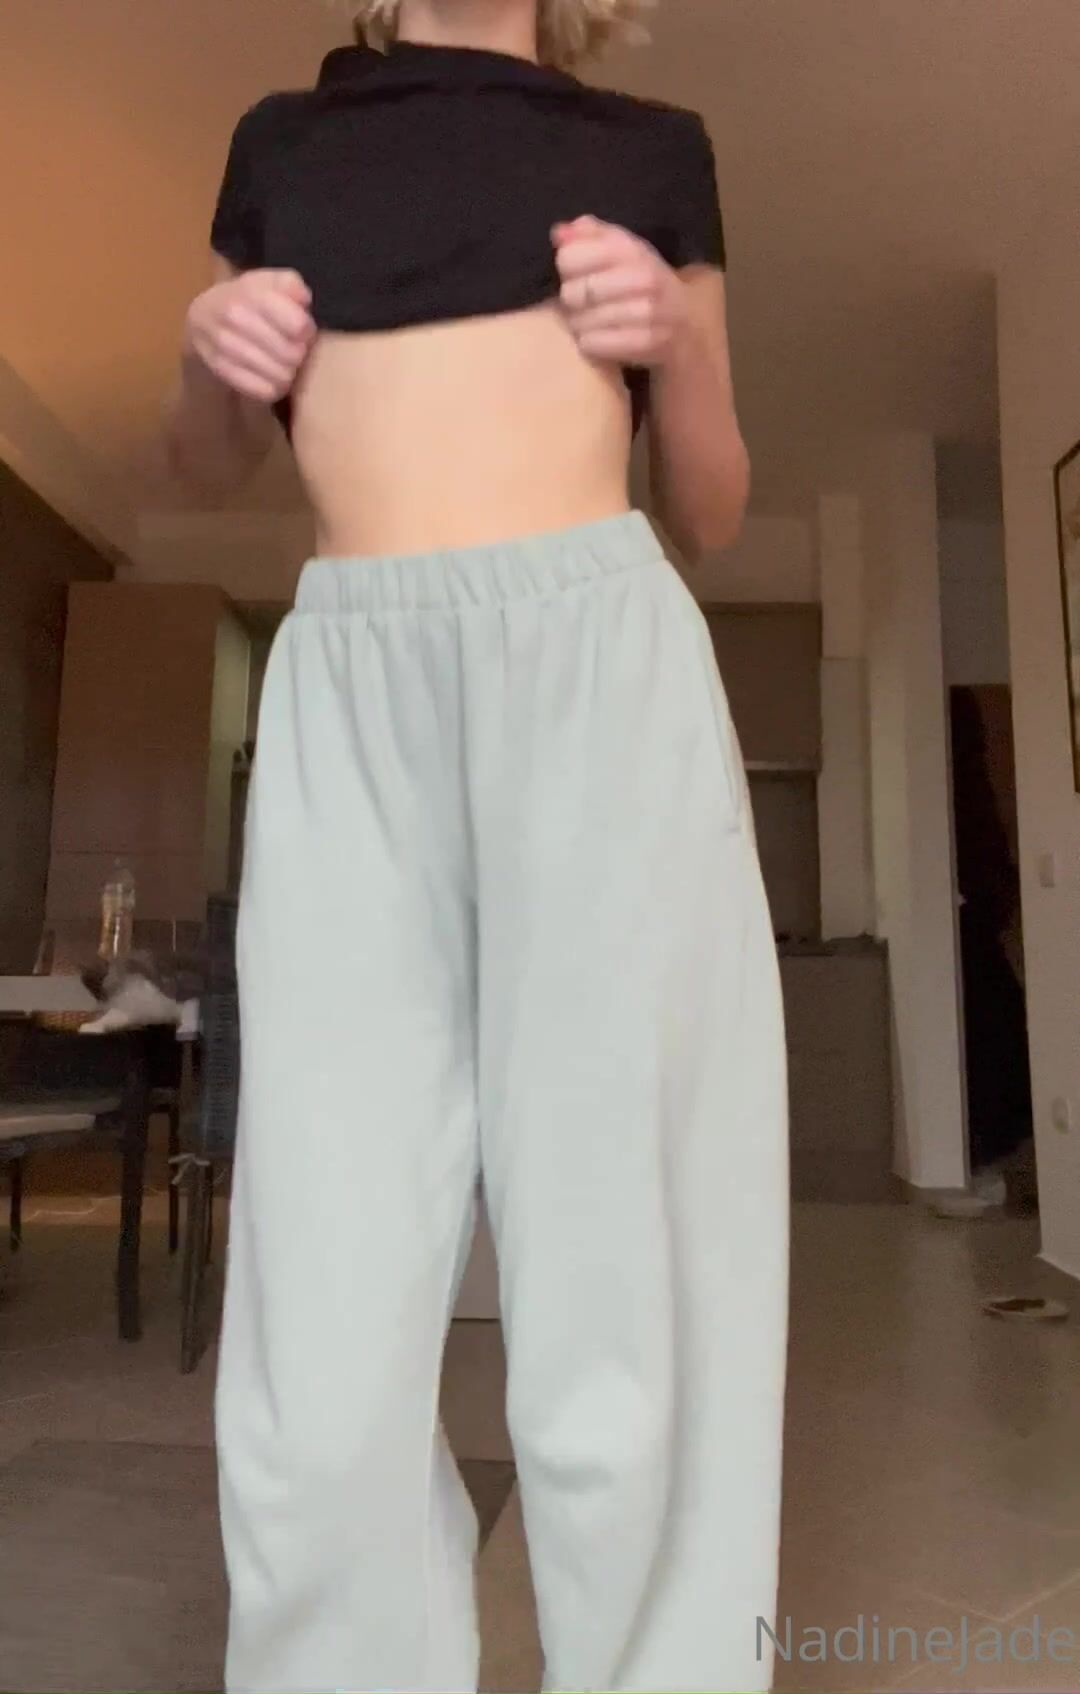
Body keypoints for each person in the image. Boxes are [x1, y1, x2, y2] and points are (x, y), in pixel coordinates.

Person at [165, 2, 789, 1689]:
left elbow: (714, 506)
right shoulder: (282, 144)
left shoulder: (651, 152)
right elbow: (202, 462)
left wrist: (680, 344)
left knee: (624, 1256)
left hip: (594, 662)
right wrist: (206, 354)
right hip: (350, 678)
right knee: (322, 1266)